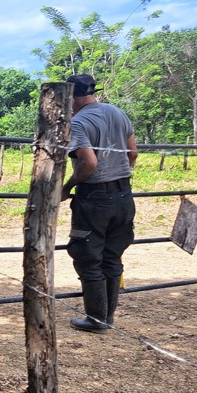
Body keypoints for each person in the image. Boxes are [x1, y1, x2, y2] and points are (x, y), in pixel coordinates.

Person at [61, 74, 138, 333]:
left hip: (94, 197)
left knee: (87, 256)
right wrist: (120, 177)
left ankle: (96, 318)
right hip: (124, 195)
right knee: (112, 256)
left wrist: (68, 186)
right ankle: (107, 317)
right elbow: (133, 152)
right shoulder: (118, 113)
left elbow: (89, 163)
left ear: (71, 97)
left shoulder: (78, 122)